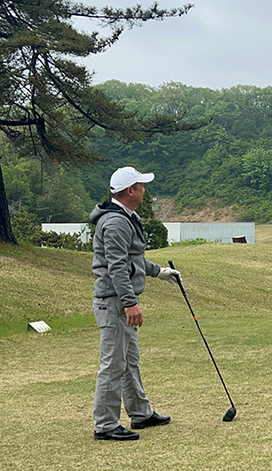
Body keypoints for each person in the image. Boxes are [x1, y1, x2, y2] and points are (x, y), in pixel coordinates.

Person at [89, 166, 181, 441]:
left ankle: (140, 413)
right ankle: (105, 425)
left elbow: (133, 259)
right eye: (141, 186)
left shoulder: (126, 217)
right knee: (113, 364)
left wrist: (159, 272)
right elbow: (117, 267)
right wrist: (130, 303)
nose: (144, 190)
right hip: (115, 302)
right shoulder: (116, 222)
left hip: (120, 301)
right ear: (131, 191)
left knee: (129, 361)